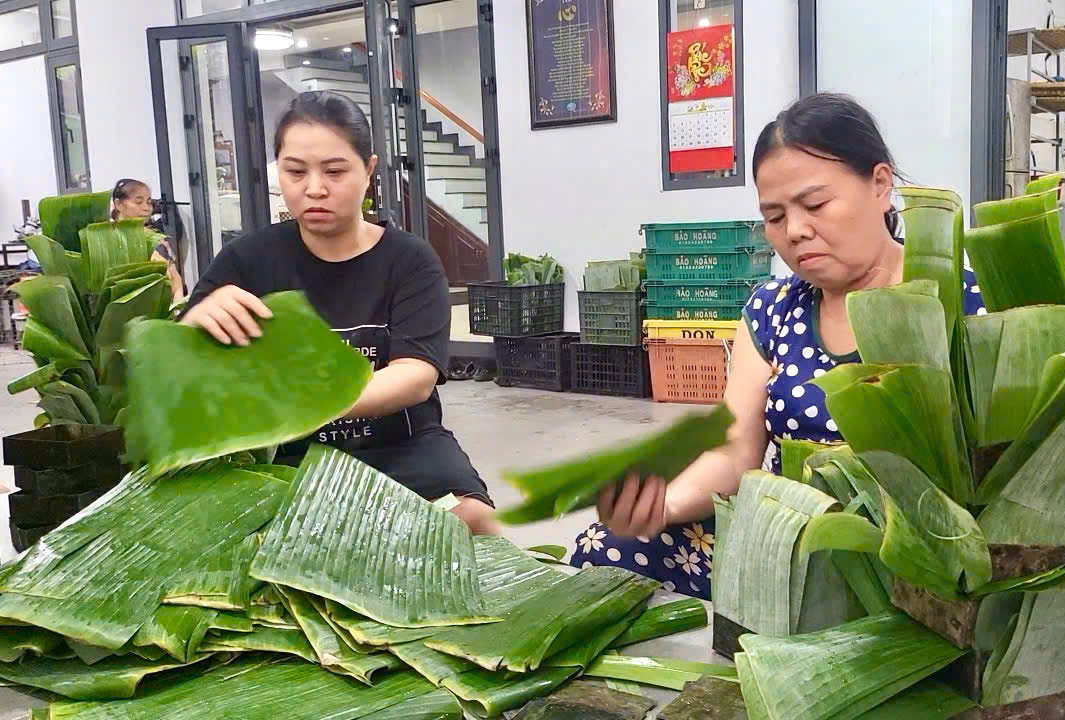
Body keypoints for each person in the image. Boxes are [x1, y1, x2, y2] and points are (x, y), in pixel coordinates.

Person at [570, 93, 984, 598]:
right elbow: (735, 450)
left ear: (880, 185)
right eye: (774, 216)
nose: (796, 231)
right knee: (608, 546)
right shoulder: (773, 309)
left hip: (915, 560)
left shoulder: (960, 297)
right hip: (784, 545)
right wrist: (664, 505)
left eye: (815, 205)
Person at [179, 91, 498, 535]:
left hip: (401, 446)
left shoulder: (409, 260)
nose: (314, 188)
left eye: (334, 171)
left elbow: (415, 374)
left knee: (474, 521)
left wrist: (302, 403)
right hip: (285, 455)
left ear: (368, 171)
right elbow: (183, 364)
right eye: (294, 171)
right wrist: (193, 324)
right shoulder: (246, 260)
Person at [111, 178, 185, 304]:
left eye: (149, 202)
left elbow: (175, 278)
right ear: (119, 204)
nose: (146, 208)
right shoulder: (106, 239)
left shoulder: (157, 240)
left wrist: (178, 306)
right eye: (139, 202)